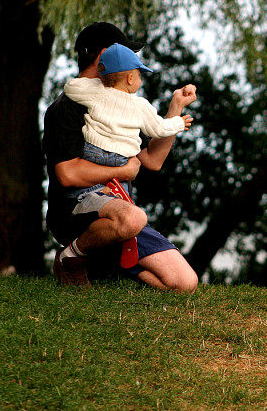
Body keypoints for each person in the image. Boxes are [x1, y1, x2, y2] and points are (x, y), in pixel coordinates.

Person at [43, 22, 199, 291]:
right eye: (129, 56)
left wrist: (175, 108)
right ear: (106, 55)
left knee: (184, 284)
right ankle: (72, 257)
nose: (135, 67)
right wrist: (123, 172)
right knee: (131, 219)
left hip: (119, 210)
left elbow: (152, 159)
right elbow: (67, 174)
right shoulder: (66, 107)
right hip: (77, 213)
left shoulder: (122, 104)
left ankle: (108, 264)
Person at [62, 42, 194, 233]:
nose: (140, 79)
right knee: (123, 190)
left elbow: (71, 87)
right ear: (131, 78)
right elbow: (159, 128)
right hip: (119, 159)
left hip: (92, 153)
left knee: (90, 186)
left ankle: (86, 198)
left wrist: (101, 82)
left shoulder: (96, 93)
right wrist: (179, 123)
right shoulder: (140, 105)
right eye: (140, 75)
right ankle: (118, 203)